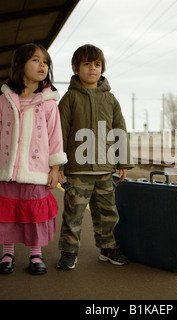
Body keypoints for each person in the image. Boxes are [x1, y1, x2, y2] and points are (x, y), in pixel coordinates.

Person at [0, 43, 67, 275]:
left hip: (37, 171)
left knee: (34, 214)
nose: (42, 65)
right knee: (7, 213)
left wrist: (55, 168)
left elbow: (55, 138)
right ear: (21, 65)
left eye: (46, 62)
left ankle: (35, 255)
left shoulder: (48, 103)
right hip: (8, 170)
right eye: (36, 60)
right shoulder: (4, 101)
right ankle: (7, 253)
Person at [57, 44, 134, 270]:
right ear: (75, 68)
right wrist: (59, 163)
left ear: (102, 69)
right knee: (74, 214)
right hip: (78, 170)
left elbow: (120, 130)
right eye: (87, 64)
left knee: (108, 213)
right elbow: (60, 131)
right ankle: (69, 252)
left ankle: (108, 248)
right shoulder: (69, 98)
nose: (93, 69)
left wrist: (123, 161)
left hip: (104, 169)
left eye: (97, 64)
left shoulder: (111, 100)